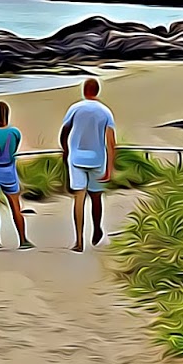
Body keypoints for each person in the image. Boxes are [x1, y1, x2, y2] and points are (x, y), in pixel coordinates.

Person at [60, 78, 116, 252]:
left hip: (76, 157)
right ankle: (97, 227)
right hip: (97, 158)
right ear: (97, 91)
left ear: (84, 91)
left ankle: (79, 241)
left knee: (79, 197)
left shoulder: (75, 108)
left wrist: (65, 150)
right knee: (96, 197)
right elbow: (111, 142)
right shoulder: (105, 112)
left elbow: (64, 132)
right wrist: (110, 167)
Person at [0, 100, 33, 250]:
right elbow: (14, 150)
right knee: (15, 206)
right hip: (9, 172)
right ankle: (23, 239)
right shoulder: (14, 132)